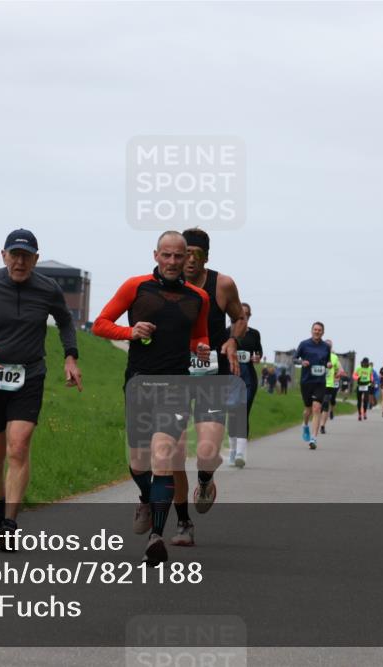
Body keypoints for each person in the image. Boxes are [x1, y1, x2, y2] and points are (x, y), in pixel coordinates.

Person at [0, 229, 83, 548]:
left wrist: (70, 357)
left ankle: (10, 523)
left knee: (18, 446)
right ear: (3, 256)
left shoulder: (47, 288)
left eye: (26, 256)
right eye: (14, 255)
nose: (20, 261)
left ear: (36, 260)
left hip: (29, 376)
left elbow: (66, 321)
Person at [92, 231, 211, 565]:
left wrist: (200, 348)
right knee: (138, 462)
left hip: (176, 386)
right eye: (167, 255)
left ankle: (156, 537)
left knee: (163, 456)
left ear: (188, 258)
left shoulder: (198, 297)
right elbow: (100, 324)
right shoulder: (135, 286)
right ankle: (145, 497)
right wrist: (130, 332)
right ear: (156, 255)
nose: (174, 262)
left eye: (180, 256)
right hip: (140, 383)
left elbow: (199, 335)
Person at [169, 227, 247, 548]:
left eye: (194, 254)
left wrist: (231, 340)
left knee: (207, 451)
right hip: (174, 375)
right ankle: (183, 522)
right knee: (173, 454)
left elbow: (239, 318)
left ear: (205, 257)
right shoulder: (163, 284)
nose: (187, 260)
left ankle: (205, 478)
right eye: (183, 253)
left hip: (212, 377)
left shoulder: (222, 284)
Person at [226, 302, 262, 468]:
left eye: (246, 314)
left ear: (249, 316)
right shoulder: (225, 333)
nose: (243, 316)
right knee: (232, 414)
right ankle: (232, 450)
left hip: (248, 379)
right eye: (240, 313)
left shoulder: (254, 334)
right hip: (229, 378)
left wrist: (256, 358)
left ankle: (241, 452)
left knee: (242, 412)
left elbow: (258, 352)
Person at [295, 322, 331, 450]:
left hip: (320, 382)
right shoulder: (304, 344)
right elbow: (295, 358)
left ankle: (313, 438)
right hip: (306, 381)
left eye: (319, 330)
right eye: (315, 329)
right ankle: (305, 425)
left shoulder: (326, 347)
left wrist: (328, 365)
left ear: (323, 332)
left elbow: (328, 361)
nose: (317, 332)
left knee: (317, 408)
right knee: (307, 410)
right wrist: (301, 362)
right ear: (311, 331)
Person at [318, 339, 339, 434]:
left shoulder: (334, 357)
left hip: (329, 384)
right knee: (317, 405)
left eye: (329, 346)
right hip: (317, 383)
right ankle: (316, 422)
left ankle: (322, 426)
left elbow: (338, 370)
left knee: (326, 404)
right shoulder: (318, 354)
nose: (327, 347)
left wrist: (337, 375)